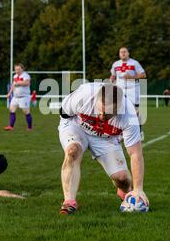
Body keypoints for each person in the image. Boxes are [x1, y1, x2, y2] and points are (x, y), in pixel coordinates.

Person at [58, 82, 149, 214]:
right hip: (77, 127)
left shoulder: (129, 116)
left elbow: (135, 153)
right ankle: (69, 202)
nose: (101, 116)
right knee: (72, 152)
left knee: (122, 178)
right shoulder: (84, 95)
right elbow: (65, 115)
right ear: (97, 99)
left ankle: (126, 191)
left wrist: (138, 189)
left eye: (107, 114)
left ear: (119, 108)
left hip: (105, 137)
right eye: (100, 110)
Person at [110, 47, 146, 140]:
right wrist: (111, 80)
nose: (123, 53)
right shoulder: (115, 64)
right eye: (121, 52)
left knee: (134, 112)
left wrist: (132, 77)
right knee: (119, 110)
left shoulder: (134, 63)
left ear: (128, 53)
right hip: (120, 89)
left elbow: (143, 75)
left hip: (132, 89)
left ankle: (139, 131)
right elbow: (113, 75)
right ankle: (121, 133)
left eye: (125, 51)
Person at [4, 63, 33, 131]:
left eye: (19, 69)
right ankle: (11, 126)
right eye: (16, 69)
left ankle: (30, 127)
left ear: (22, 69)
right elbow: (13, 86)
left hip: (24, 97)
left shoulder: (26, 75)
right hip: (15, 97)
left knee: (26, 111)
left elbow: (27, 83)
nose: (17, 70)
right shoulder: (15, 76)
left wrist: (18, 83)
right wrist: (9, 93)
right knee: (11, 110)